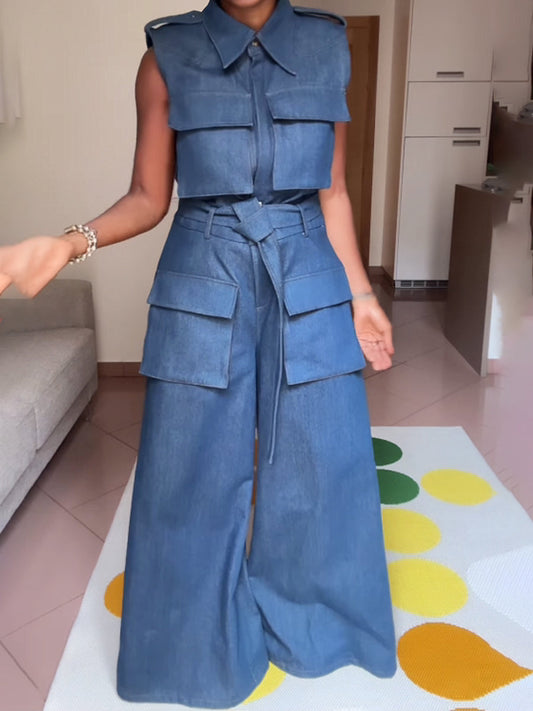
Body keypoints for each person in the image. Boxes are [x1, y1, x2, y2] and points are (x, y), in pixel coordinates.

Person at [0, 0, 398, 707]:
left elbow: (331, 191)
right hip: (202, 277)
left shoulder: (327, 45)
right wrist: (67, 243)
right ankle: (192, 654)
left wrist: (361, 294)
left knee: (323, 462)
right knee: (187, 474)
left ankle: (318, 628)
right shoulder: (165, 57)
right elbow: (148, 196)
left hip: (309, 271)